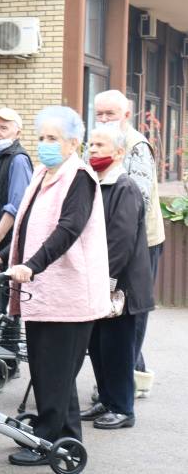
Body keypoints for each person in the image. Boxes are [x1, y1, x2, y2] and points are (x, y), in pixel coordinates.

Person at [0, 106, 110, 466]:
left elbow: (68, 229)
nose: (45, 144)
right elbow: (26, 227)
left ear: (73, 143)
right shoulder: (42, 173)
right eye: (41, 137)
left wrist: (31, 266)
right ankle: (62, 438)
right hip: (41, 290)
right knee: (48, 370)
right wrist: (3, 257)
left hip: (68, 292)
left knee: (55, 371)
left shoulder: (79, 177)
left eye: (53, 138)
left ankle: (50, 442)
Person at [79, 125, 155, 430]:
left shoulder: (125, 187)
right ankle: (107, 399)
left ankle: (123, 407)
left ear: (120, 152)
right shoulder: (96, 183)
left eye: (101, 145)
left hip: (121, 287)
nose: (93, 150)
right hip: (98, 282)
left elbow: (120, 241)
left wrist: (105, 281)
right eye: (92, 144)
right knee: (98, 345)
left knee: (118, 348)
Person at [92, 89, 165, 397]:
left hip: (140, 240)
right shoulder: (100, 142)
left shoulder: (136, 145)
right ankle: (128, 377)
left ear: (126, 115)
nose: (104, 118)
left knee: (130, 310)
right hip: (112, 238)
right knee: (114, 315)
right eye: (99, 113)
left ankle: (126, 381)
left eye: (110, 113)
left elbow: (139, 199)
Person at [0, 108, 33, 256]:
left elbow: (18, 205)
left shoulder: (18, 159)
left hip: (3, 246)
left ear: (18, 133)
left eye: (3, 128)